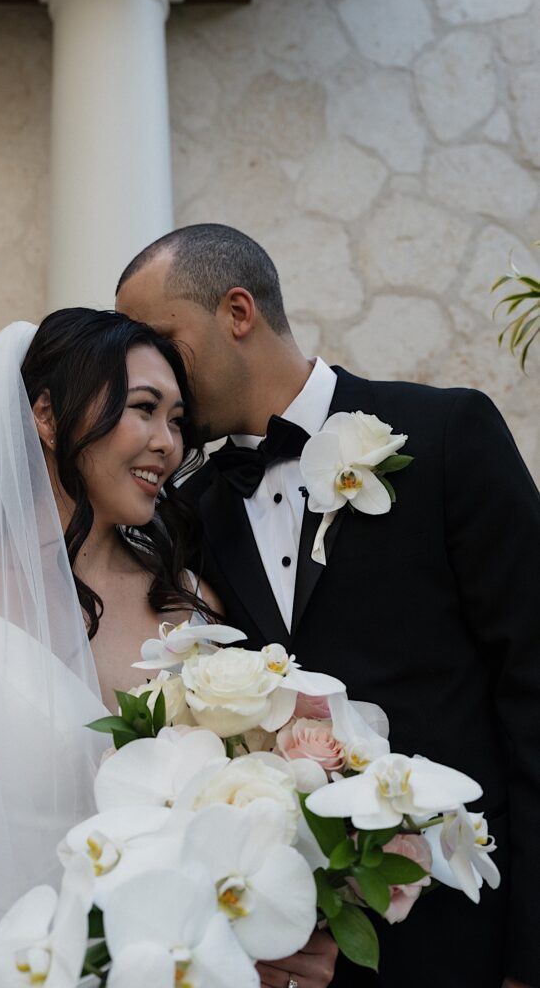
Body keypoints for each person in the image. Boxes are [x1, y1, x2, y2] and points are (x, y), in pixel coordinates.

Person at [0, 307, 336, 988]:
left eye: (177, 420)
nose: (167, 443)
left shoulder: (195, 600)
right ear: (46, 416)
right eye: (144, 408)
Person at [115, 222, 540, 988]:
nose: (149, 369)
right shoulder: (188, 514)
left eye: (160, 339)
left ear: (237, 312)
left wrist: (531, 956)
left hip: (472, 939)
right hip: (297, 955)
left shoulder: (448, 437)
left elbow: (536, 691)